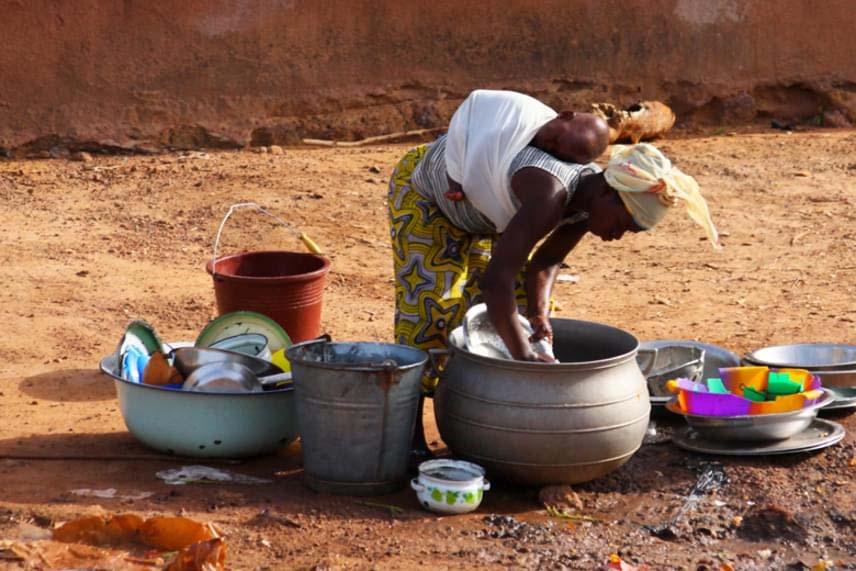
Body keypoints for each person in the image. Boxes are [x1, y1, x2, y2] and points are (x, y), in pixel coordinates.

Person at [387, 91, 718, 452]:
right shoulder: (550, 194)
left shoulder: (585, 203)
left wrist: (539, 314)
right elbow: (496, 283)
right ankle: (409, 437)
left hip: (483, 215)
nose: (618, 236)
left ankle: (491, 417)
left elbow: (544, 262)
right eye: (625, 223)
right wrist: (527, 361)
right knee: (433, 311)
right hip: (430, 196)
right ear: (610, 192)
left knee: (516, 316)